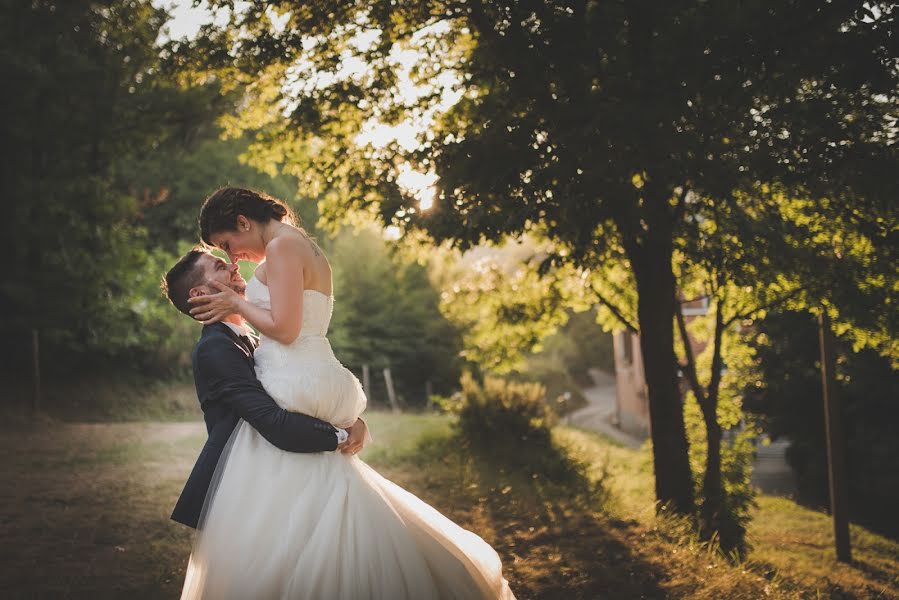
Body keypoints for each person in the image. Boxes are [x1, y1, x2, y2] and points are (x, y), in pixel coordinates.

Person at [180, 187, 516, 599]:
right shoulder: (299, 247)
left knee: (299, 517)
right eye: (222, 255)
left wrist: (235, 299)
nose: (234, 259)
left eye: (228, 245)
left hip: (297, 378)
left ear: (243, 222)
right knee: (328, 498)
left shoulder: (283, 247)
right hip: (312, 372)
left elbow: (284, 330)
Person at [162, 249, 370, 530]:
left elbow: (295, 397)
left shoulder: (253, 338)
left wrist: (354, 421)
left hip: (284, 471)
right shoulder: (215, 349)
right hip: (251, 486)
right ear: (199, 294)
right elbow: (274, 423)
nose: (234, 265)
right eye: (220, 266)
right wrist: (342, 435)